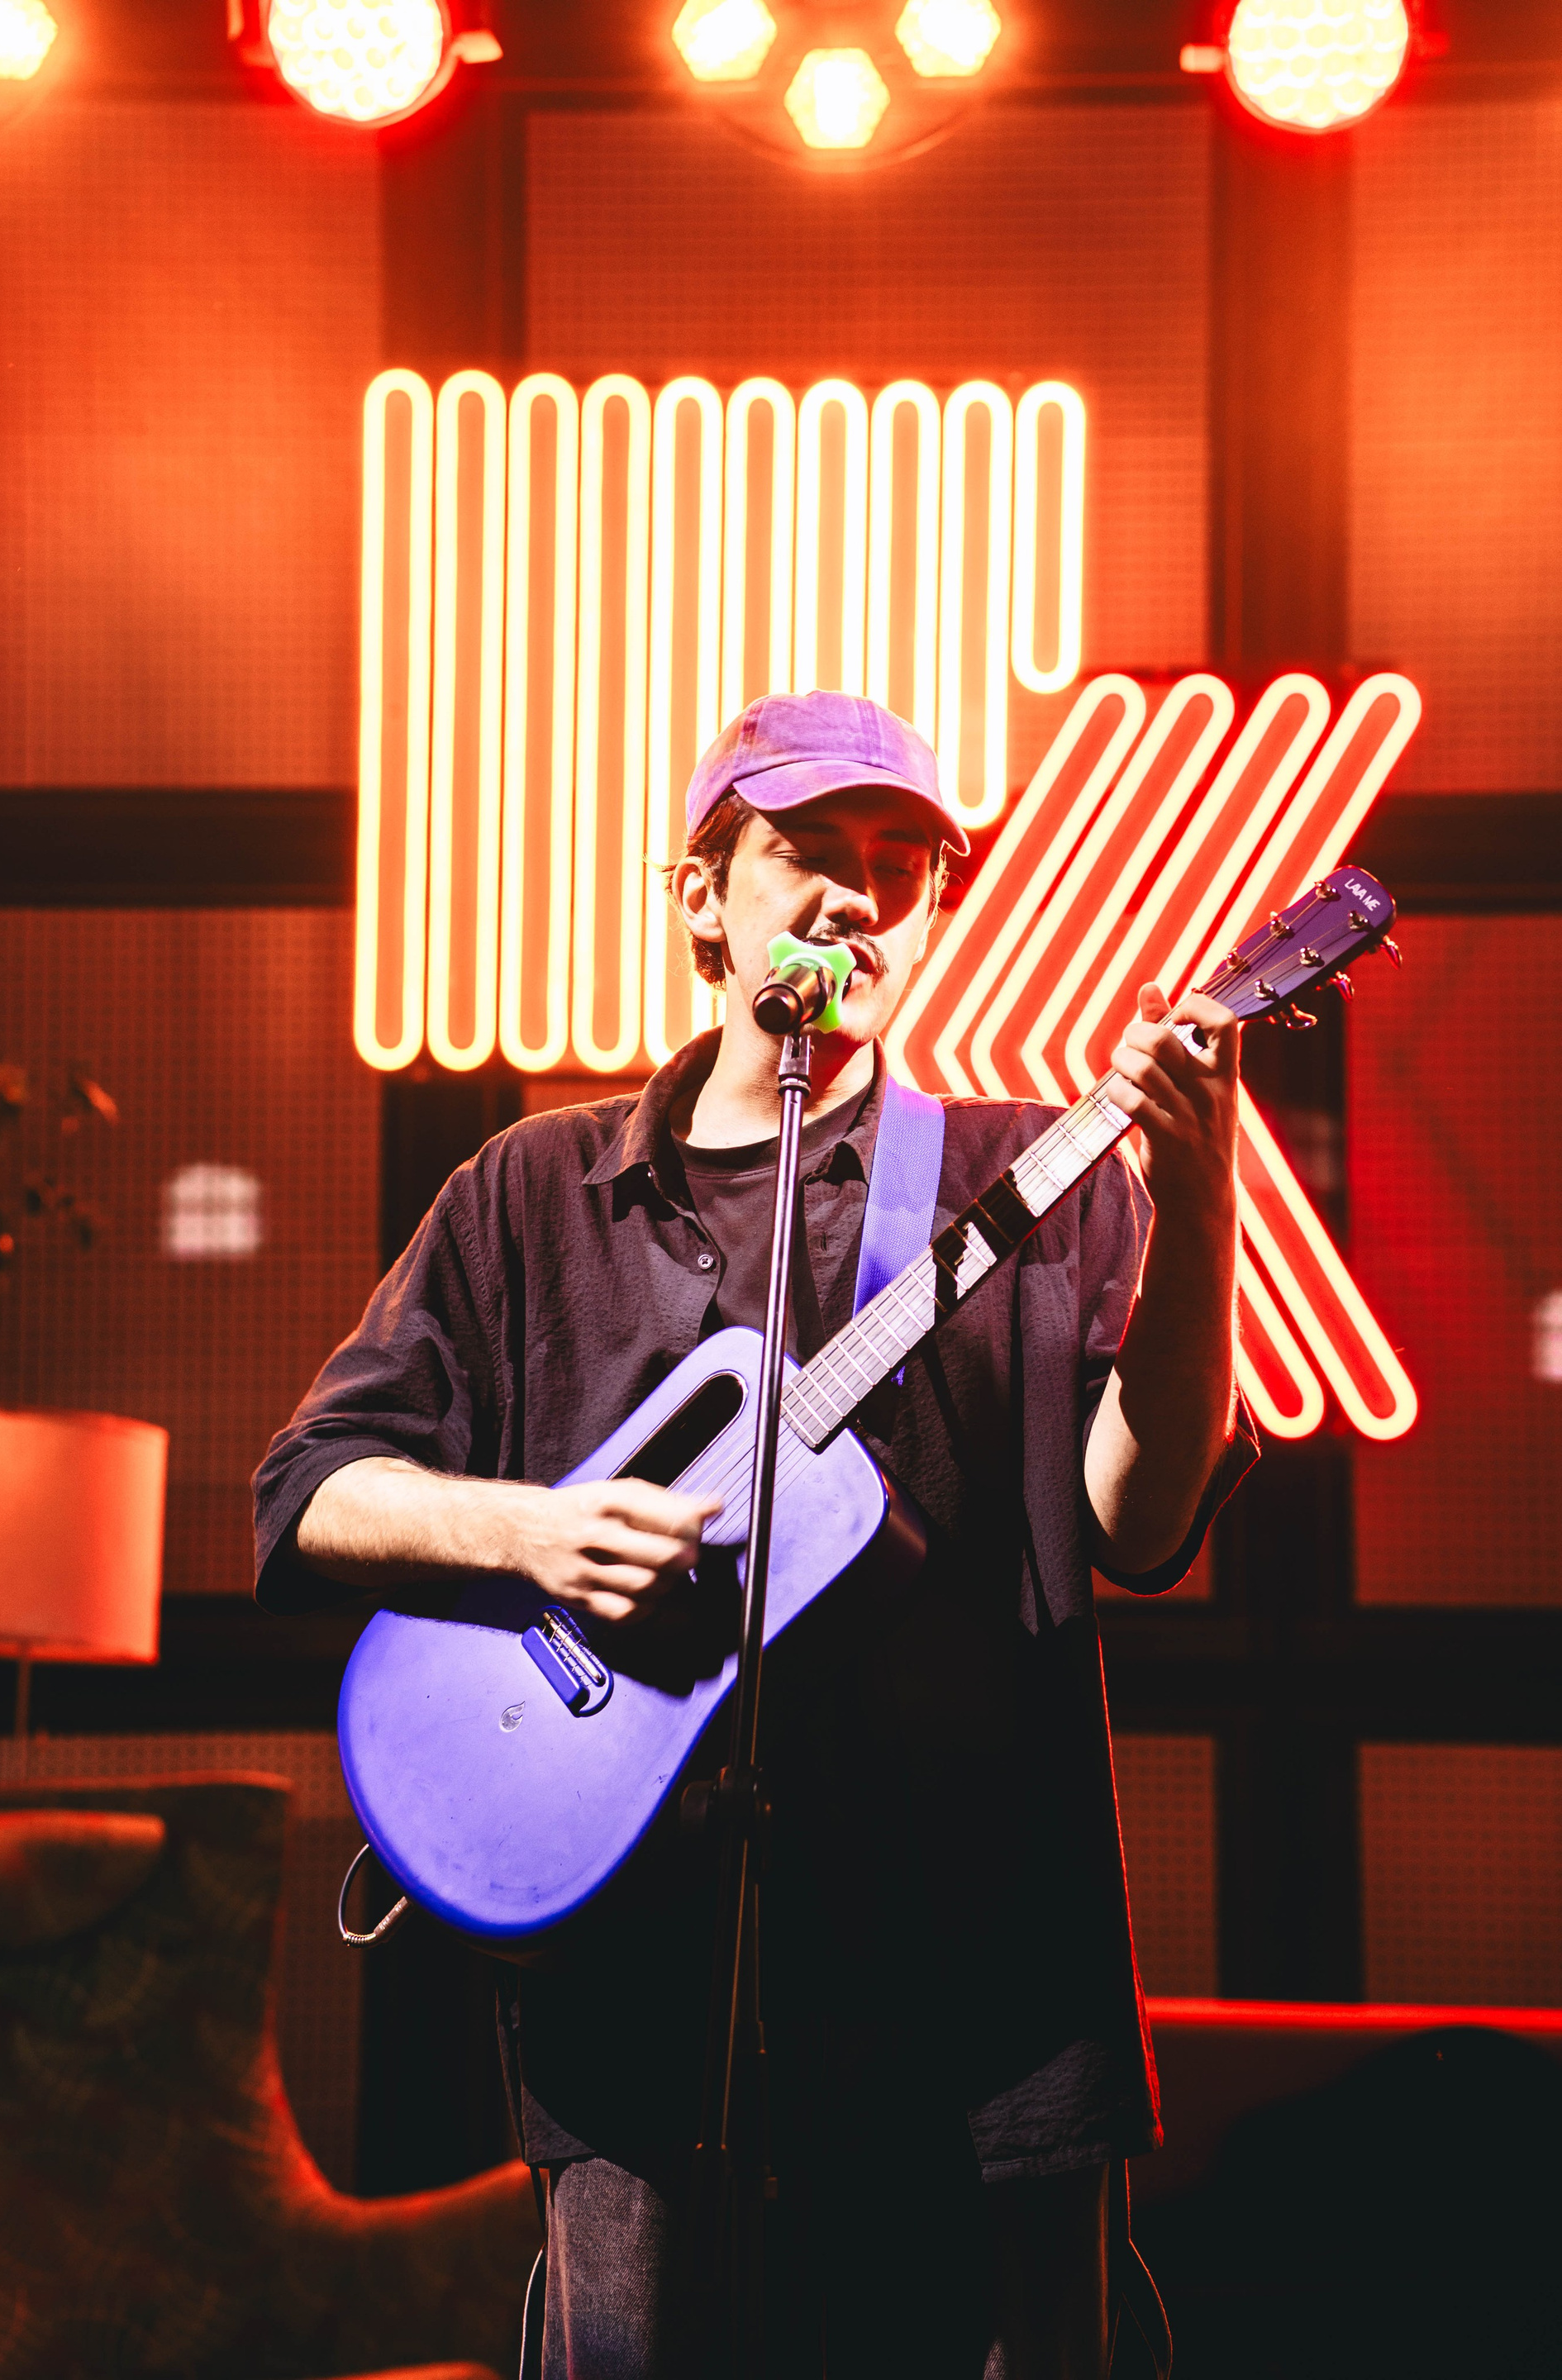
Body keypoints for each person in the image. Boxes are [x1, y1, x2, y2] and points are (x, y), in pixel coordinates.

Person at [253, 690, 1256, 2379]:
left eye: (901, 864)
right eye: (809, 851)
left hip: (985, 2001)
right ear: (703, 897)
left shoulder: (1034, 1177)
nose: (859, 894)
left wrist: (1203, 1192)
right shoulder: (528, 1195)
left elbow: (1138, 1522)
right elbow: (310, 1492)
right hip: (637, 2011)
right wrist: (535, 1535)